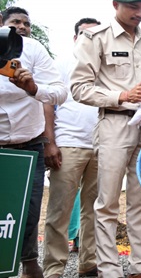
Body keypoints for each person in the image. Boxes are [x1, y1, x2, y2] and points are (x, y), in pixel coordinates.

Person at [71, 0, 141, 278]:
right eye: (133, 7)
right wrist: (120, 96)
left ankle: (140, 268)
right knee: (107, 202)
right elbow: (79, 88)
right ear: (115, 5)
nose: (139, 13)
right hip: (113, 123)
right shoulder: (95, 38)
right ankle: (110, 270)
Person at [0, 11, 67, 278]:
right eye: (14, 23)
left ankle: (29, 261)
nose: (21, 28)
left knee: (28, 207)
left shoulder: (34, 50)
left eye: (26, 24)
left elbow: (60, 91)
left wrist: (33, 88)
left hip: (29, 144)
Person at [42, 18, 101, 278]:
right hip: (67, 145)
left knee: (96, 211)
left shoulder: (106, 66)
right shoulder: (61, 65)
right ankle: (54, 270)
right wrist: (50, 142)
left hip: (101, 146)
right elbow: (46, 104)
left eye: (95, 35)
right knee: (59, 211)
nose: (90, 39)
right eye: (84, 34)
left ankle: (89, 265)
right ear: (75, 38)